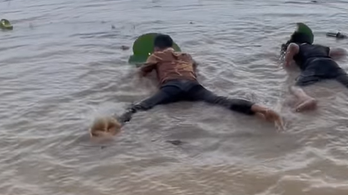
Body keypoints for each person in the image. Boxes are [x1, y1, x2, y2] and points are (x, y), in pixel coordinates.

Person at [109, 34, 283, 131]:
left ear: (156, 48)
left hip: (171, 87)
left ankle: (112, 126)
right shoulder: (187, 55)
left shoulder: (157, 55)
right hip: (193, 86)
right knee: (222, 101)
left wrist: (137, 78)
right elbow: (196, 69)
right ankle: (260, 109)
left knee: (141, 106)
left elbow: (141, 73)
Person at [282, 30, 348, 112]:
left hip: (313, 65)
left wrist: (287, 60)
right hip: (331, 64)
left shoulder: (295, 45)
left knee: (294, 87)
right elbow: (340, 52)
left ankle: (307, 99)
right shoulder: (321, 47)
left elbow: (287, 62)